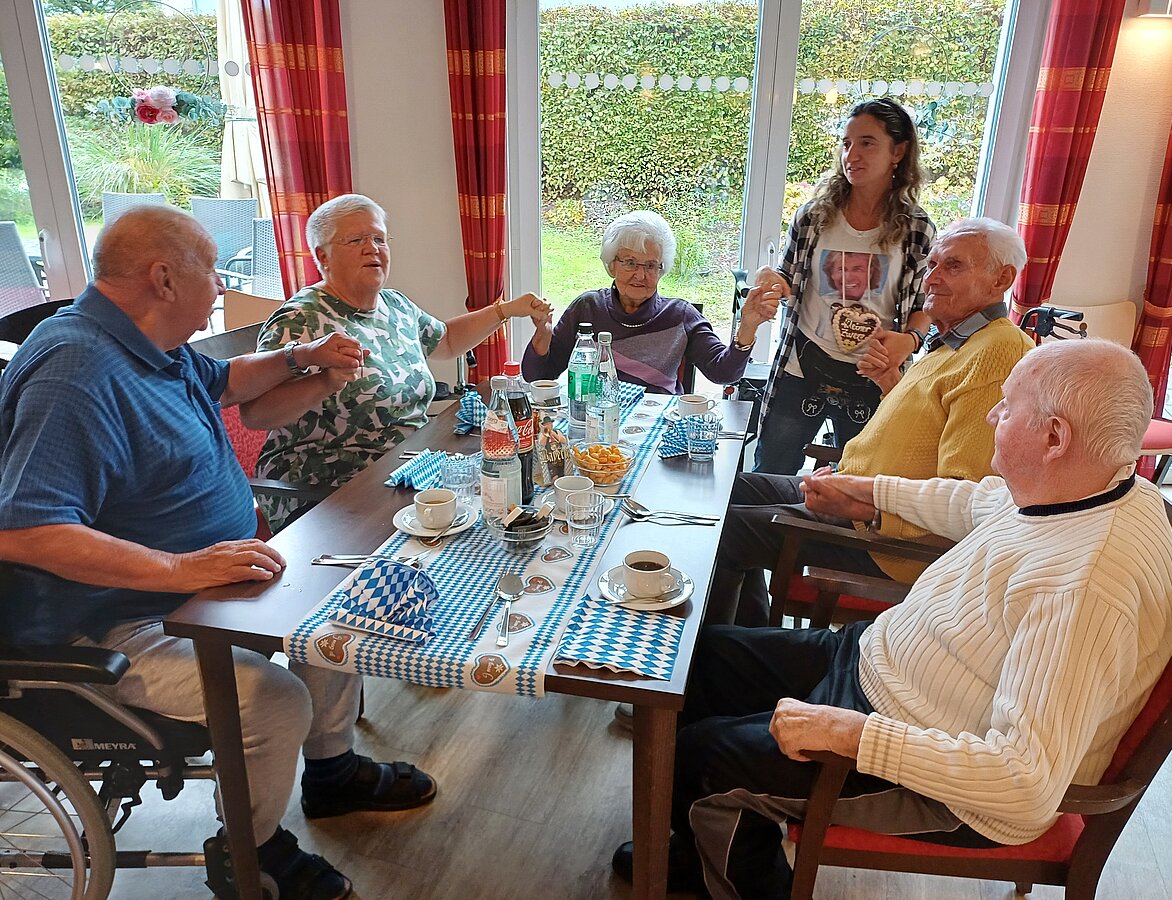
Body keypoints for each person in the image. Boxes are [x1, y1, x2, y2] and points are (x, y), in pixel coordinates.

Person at [612, 340, 1172, 900]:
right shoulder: (1083, 485)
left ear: (1054, 437)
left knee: (703, 761)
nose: (991, 414)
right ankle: (710, 843)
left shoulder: (1087, 584)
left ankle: (734, 856)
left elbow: (1024, 784)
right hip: (878, 664)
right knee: (698, 660)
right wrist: (866, 493)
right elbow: (972, 502)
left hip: (938, 776)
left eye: (1007, 407)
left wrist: (855, 735)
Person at [0, 206, 431, 900]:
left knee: (339, 613)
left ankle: (331, 773)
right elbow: (24, 530)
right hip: (118, 621)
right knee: (275, 700)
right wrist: (179, 568)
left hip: (202, 588)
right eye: (214, 269)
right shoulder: (74, 371)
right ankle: (253, 851)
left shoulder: (147, 345)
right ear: (163, 278)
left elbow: (227, 383)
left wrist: (302, 359)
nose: (223, 283)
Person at [709, 217, 1033, 627]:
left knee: (723, 532)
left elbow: (965, 496)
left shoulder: (998, 350)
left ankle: (710, 665)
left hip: (885, 539)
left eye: (953, 266)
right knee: (725, 491)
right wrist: (890, 385)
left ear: (1001, 279)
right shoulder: (955, 342)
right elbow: (918, 433)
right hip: (856, 491)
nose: (931, 279)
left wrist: (865, 501)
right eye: (932, 265)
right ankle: (746, 637)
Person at [246, 193, 553, 531]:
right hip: (329, 489)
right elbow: (256, 413)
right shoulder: (299, 319)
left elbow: (446, 339)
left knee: (511, 499)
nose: (372, 248)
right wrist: (324, 382)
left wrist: (505, 310)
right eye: (356, 240)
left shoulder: (394, 305)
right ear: (323, 256)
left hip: (407, 469)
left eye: (379, 238)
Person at [753, 98, 936, 475]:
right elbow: (787, 277)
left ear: (898, 152)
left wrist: (911, 340)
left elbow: (925, 303)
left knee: (861, 482)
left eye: (867, 142)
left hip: (875, 374)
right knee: (771, 470)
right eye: (847, 143)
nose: (852, 154)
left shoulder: (917, 228)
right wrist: (768, 280)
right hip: (803, 363)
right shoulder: (814, 216)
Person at [521, 210, 780, 393]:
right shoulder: (587, 308)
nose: (640, 275)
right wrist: (543, 335)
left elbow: (723, 373)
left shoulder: (681, 315)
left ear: (661, 270)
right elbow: (538, 377)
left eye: (651, 265)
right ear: (612, 265)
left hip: (659, 431)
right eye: (630, 262)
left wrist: (747, 327)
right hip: (595, 427)